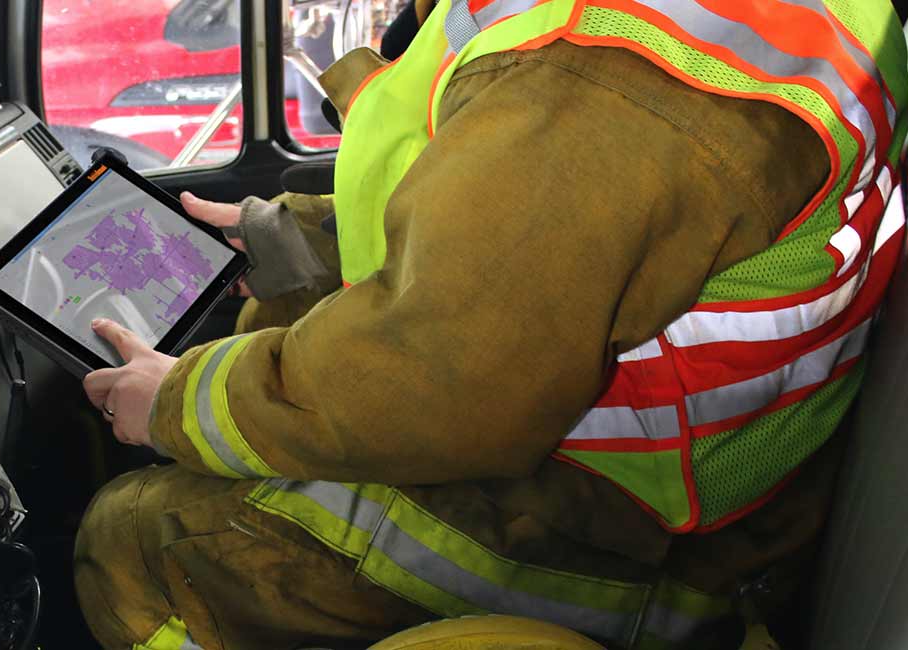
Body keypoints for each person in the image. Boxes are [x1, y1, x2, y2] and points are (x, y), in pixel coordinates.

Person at [74, 1, 908, 649]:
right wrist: (297, 236)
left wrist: (177, 402)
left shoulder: (614, 67)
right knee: (272, 317)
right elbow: (506, 199)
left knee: (140, 545)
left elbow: (435, 379)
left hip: (645, 547)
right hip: (676, 463)